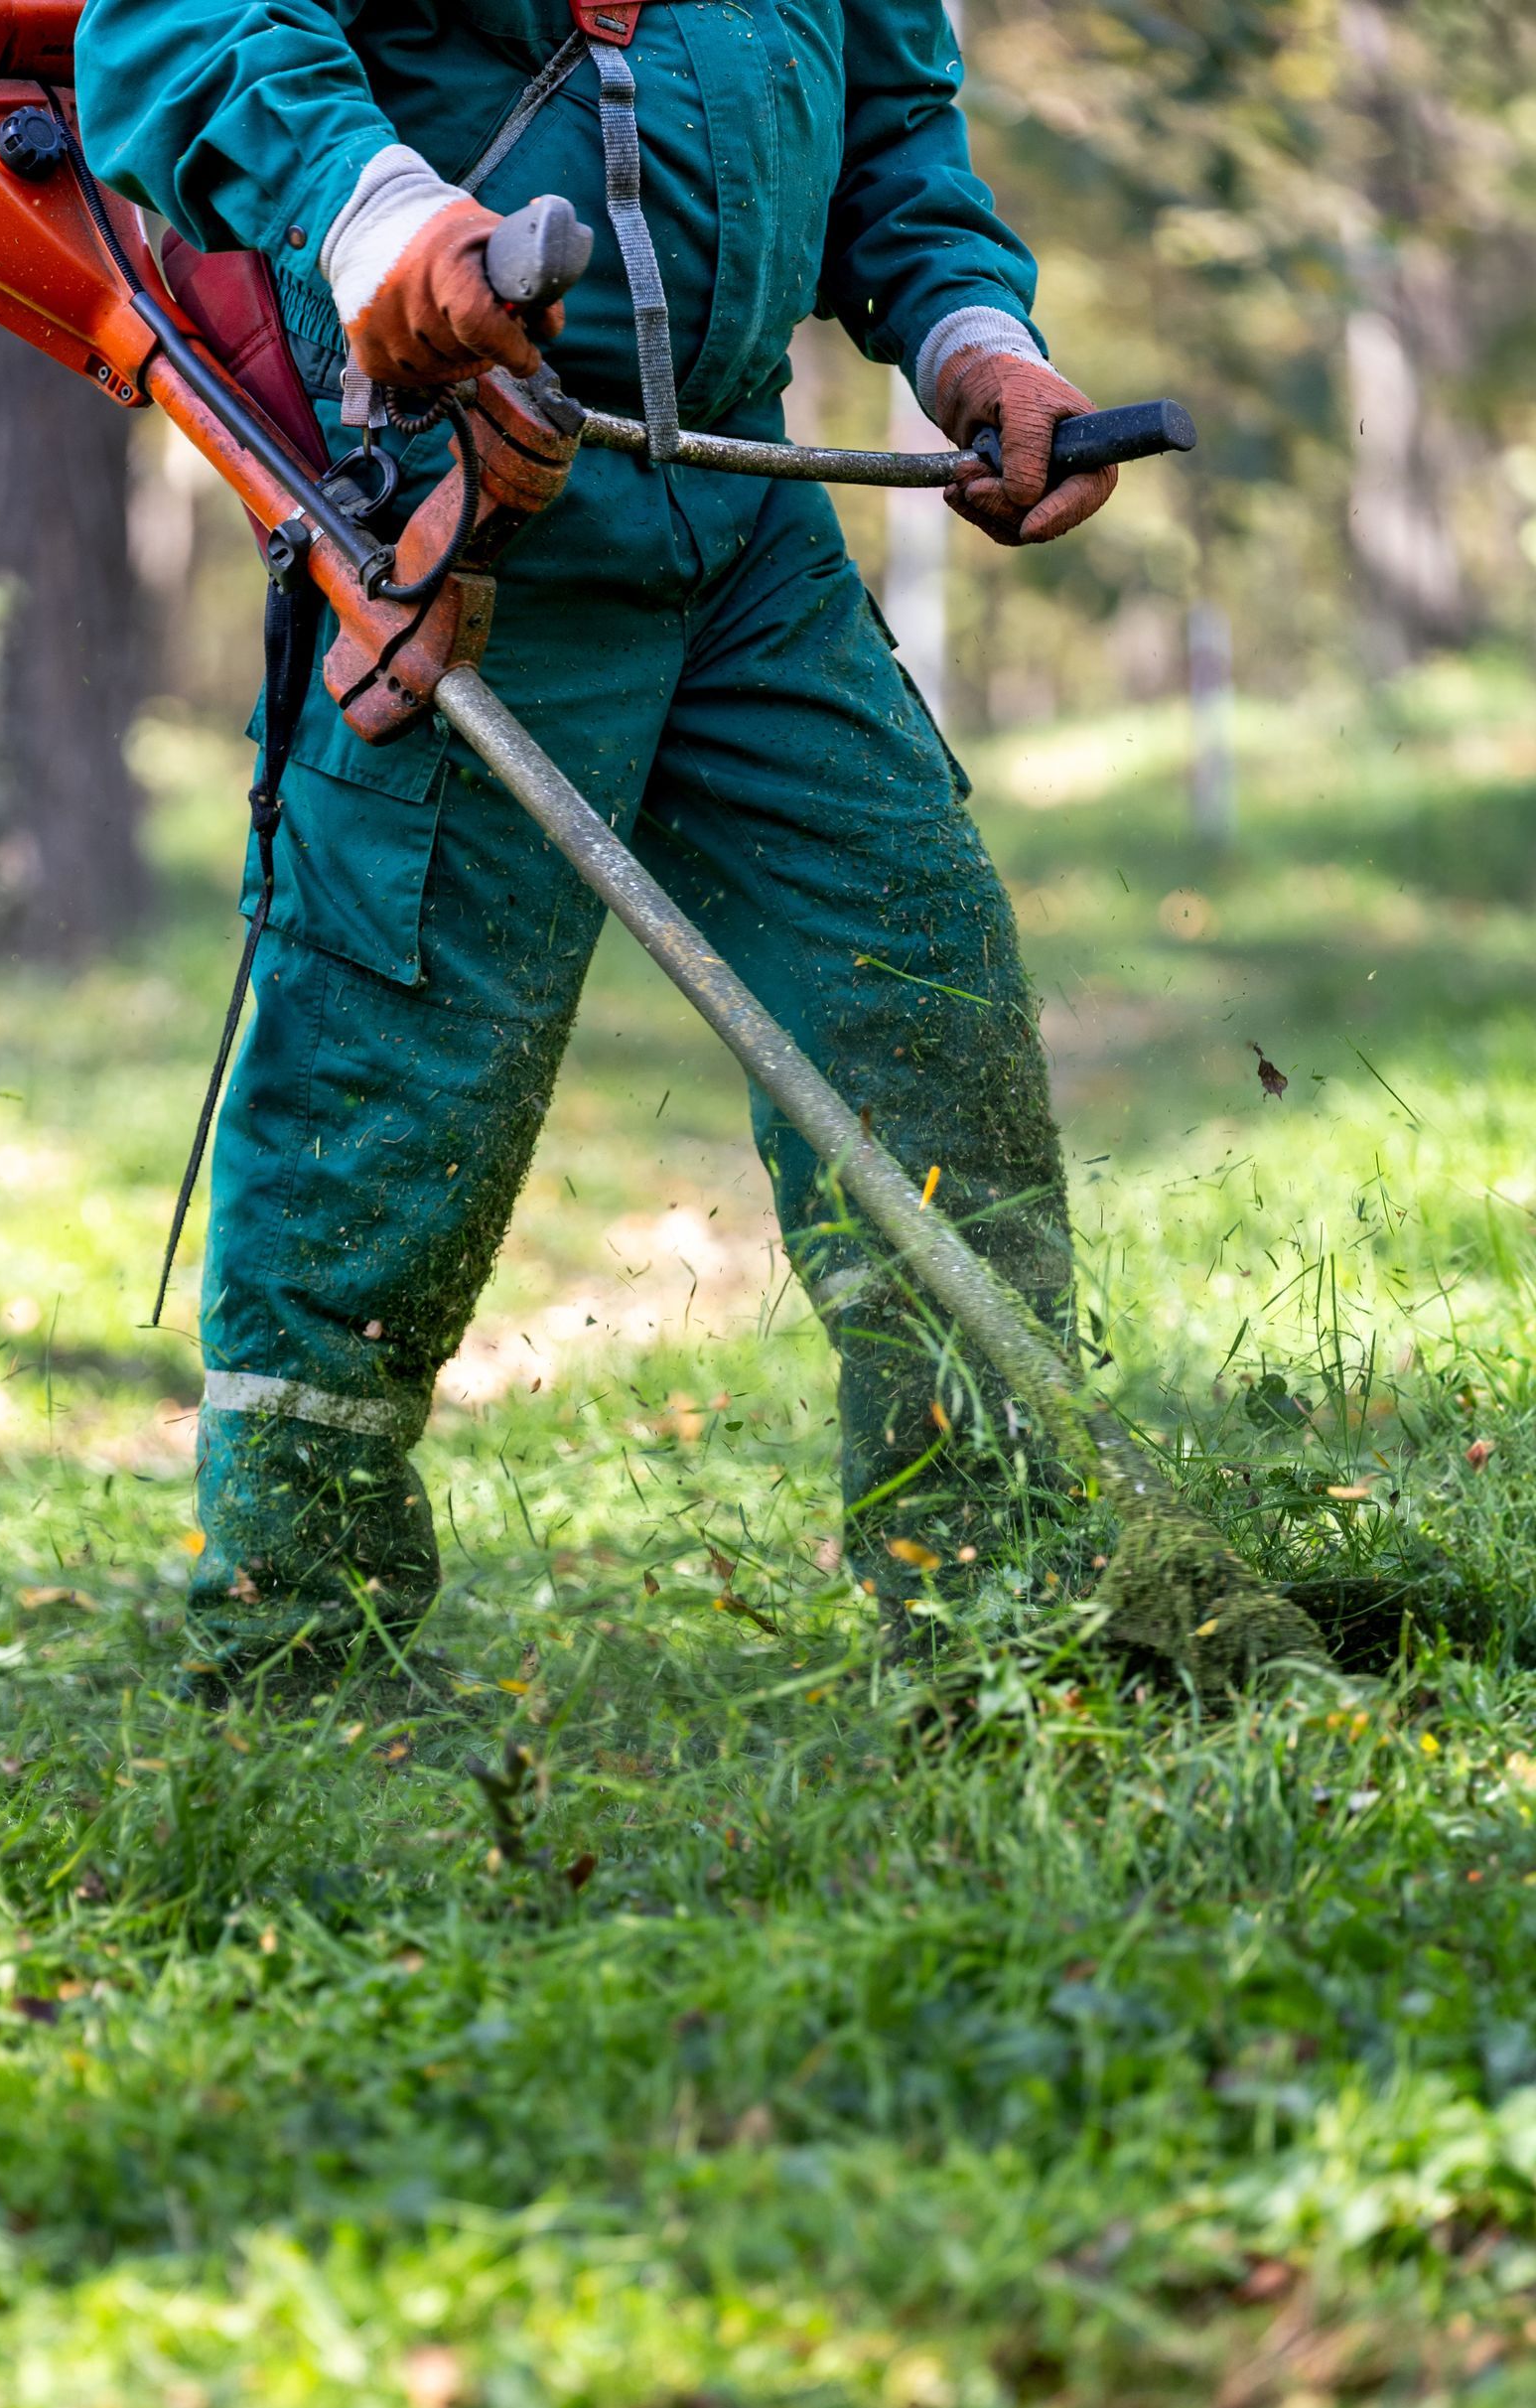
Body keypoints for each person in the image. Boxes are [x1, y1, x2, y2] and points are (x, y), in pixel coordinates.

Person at [74, 0, 1117, 1688]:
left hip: (748, 505)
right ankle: (295, 1676)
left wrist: (974, 340)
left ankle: (1007, 1618)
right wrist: (385, 221)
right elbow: (184, 26)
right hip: (463, 498)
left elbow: (891, 128)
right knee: (381, 1110)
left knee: (922, 1007)